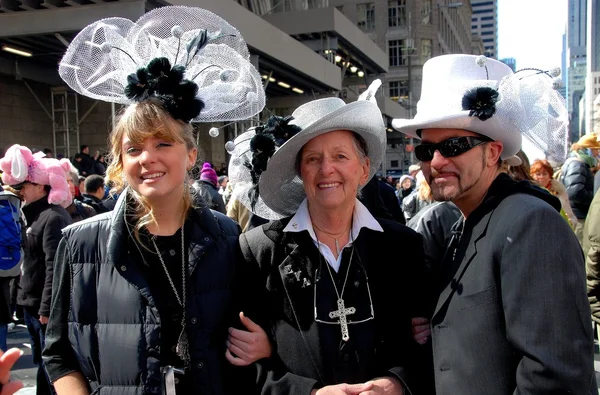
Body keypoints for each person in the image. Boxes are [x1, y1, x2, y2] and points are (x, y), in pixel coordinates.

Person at [42, 6, 268, 395]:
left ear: (191, 154)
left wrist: (264, 344)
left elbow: (253, 329)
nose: (148, 158)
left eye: (163, 143)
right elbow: (59, 353)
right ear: (120, 159)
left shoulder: (229, 238)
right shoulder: (79, 244)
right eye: (134, 148)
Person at [392, 54, 596, 394]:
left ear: (492, 153)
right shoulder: (467, 224)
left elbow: (555, 377)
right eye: (426, 151)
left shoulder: (531, 225)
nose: (437, 161)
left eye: (454, 146)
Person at [231, 81, 431, 394]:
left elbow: (426, 343)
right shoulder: (259, 250)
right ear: (300, 172)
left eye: (340, 156)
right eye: (313, 159)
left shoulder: (403, 246)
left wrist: (397, 383)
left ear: (364, 170)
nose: (327, 169)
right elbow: (242, 365)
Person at [0, 145, 73, 395]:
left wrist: (46, 307)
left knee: (51, 364)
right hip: (30, 304)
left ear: (42, 186)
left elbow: (55, 265)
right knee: (40, 361)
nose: (20, 192)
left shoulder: (53, 217)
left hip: (44, 308)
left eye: (25, 186)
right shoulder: (32, 215)